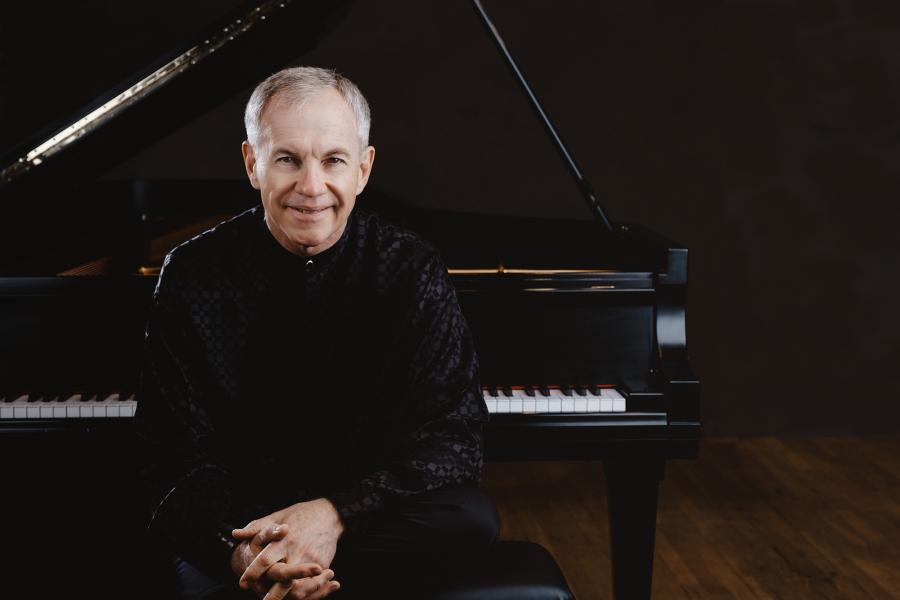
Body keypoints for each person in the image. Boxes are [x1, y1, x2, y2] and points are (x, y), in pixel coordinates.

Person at [135, 66, 498, 600]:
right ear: (252, 164)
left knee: (471, 516)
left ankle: (289, 577)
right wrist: (242, 551)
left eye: (333, 160)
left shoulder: (410, 267)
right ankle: (282, 574)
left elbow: (456, 438)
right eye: (287, 159)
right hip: (243, 521)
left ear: (364, 169)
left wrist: (333, 516)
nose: (311, 187)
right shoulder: (193, 273)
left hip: (363, 517)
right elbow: (170, 452)